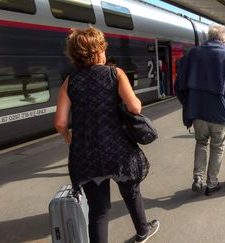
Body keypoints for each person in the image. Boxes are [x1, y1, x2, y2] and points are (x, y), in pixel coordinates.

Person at [54, 27, 159, 243]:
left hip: (86, 153)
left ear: (75, 55)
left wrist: (67, 136)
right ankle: (142, 231)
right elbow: (135, 107)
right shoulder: (115, 73)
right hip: (119, 150)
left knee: (99, 211)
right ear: (98, 50)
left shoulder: (69, 82)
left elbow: (60, 122)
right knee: (131, 192)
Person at [175, 25, 225, 196]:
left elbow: (179, 86)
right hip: (220, 113)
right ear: (224, 39)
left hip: (197, 111)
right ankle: (212, 184)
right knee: (217, 147)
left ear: (209, 37)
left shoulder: (192, 54)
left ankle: (197, 178)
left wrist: (189, 103)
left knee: (201, 143)